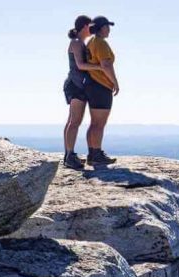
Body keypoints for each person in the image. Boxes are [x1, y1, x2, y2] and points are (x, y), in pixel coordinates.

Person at [84, 16, 119, 166]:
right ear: (100, 28)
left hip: (92, 85)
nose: (109, 29)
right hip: (101, 85)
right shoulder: (101, 43)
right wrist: (115, 83)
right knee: (99, 124)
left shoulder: (91, 42)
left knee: (94, 123)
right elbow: (106, 65)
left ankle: (92, 153)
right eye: (106, 26)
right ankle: (97, 154)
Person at [63, 15, 95, 170]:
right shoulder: (76, 43)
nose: (93, 29)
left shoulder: (80, 42)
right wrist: (101, 67)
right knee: (75, 121)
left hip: (78, 86)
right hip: (75, 85)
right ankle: (69, 156)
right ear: (84, 26)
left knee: (72, 120)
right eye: (91, 26)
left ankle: (69, 155)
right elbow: (81, 65)